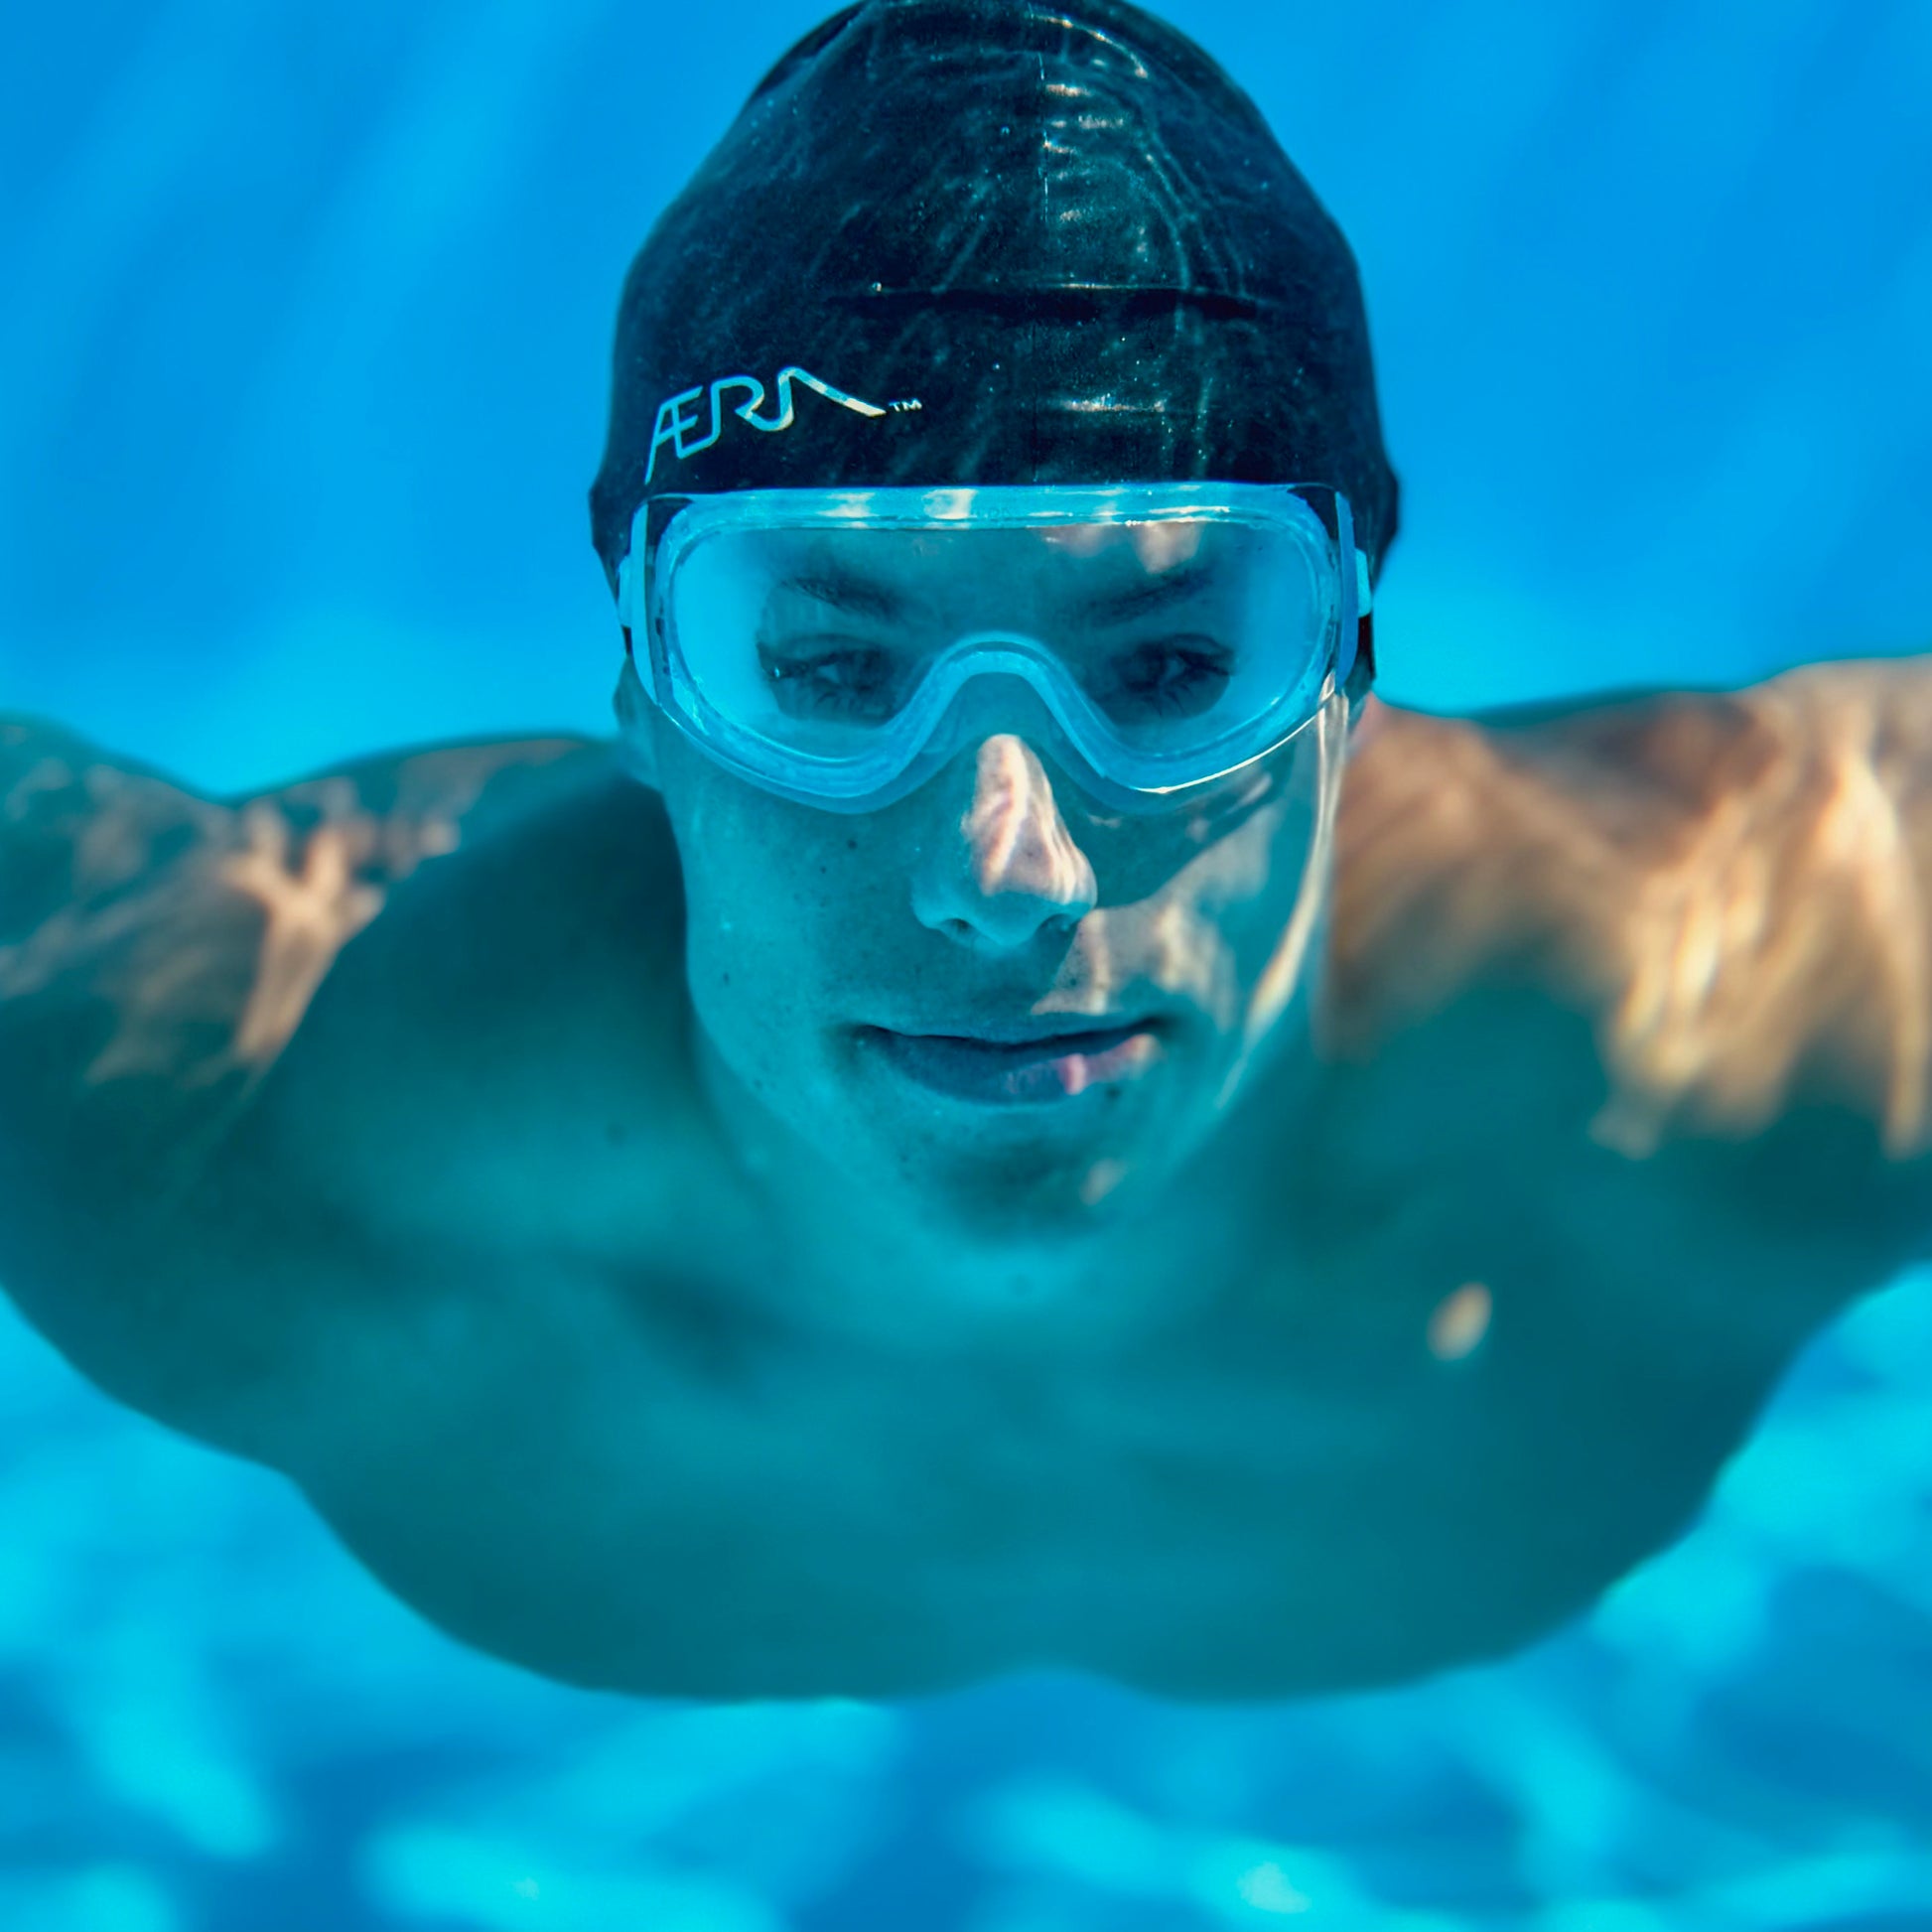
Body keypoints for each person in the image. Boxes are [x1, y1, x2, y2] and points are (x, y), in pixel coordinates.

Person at [1, 0, 1928, 1706]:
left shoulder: (1751, 1034)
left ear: (1343, 680)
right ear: (648, 697)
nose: (1005, 873)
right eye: (832, 667)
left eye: (1172, 661)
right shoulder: (216, 1137)